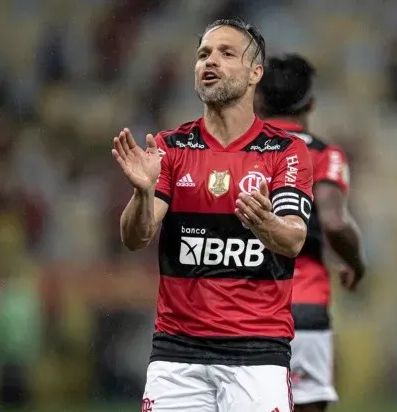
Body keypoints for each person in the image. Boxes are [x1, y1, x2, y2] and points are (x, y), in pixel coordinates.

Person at [111, 18, 314, 412]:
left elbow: (293, 239)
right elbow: (135, 237)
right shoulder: (170, 148)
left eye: (226, 53)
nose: (210, 61)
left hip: (257, 353)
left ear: (256, 73)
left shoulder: (285, 152)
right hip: (177, 353)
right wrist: (142, 192)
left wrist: (265, 223)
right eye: (203, 53)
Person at [256, 54, 367, 412]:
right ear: (310, 104)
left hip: (238, 307)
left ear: (258, 99)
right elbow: (334, 223)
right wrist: (355, 262)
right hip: (301, 304)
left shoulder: (233, 153)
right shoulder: (321, 153)